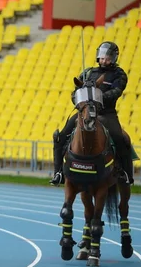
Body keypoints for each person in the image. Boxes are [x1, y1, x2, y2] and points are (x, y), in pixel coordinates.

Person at [51, 41, 134, 186]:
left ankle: (125, 173)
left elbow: (116, 92)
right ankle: (58, 172)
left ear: (114, 58)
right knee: (60, 137)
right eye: (102, 57)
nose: (104, 60)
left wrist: (97, 97)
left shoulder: (119, 74)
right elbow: (75, 92)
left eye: (108, 57)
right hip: (85, 113)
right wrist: (78, 100)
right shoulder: (88, 72)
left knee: (121, 139)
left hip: (106, 113)